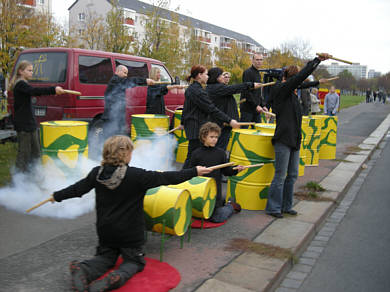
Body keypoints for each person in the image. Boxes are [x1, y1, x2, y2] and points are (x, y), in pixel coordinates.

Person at [50, 135, 211, 292]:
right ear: (125, 153)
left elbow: (77, 189)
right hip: (130, 233)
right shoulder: (136, 176)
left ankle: (84, 270)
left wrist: (56, 196)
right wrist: (194, 171)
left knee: (106, 258)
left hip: (106, 230)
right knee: (134, 262)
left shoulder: (96, 173)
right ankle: (117, 277)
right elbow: (167, 178)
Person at [265, 53, 331, 218]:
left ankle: (287, 206)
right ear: (289, 78)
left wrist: (317, 82)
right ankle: (273, 207)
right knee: (280, 175)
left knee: (292, 175)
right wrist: (316, 61)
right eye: (296, 80)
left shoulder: (293, 92)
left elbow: (301, 83)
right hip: (283, 139)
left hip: (294, 139)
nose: (298, 84)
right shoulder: (281, 89)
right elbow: (300, 79)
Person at [8, 60, 65, 172]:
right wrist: (53, 90)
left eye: (32, 70)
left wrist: (53, 90)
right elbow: (34, 91)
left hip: (30, 124)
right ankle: (19, 180)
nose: (31, 73)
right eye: (29, 70)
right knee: (24, 154)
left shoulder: (24, 84)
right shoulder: (20, 84)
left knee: (36, 153)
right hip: (23, 125)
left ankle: (36, 175)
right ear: (21, 71)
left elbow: (33, 91)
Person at [181, 65, 240, 168]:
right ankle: (182, 179)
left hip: (194, 125)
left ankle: (188, 178)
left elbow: (186, 108)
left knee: (195, 157)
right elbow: (211, 109)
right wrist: (229, 120)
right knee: (193, 157)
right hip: (196, 127)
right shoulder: (197, 91)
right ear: (199, 75)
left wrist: (182, 122)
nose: (208, 77)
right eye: (206, 74)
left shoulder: (193, 88)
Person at [187, 122, 244, 222]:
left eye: (216, 137)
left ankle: (230, 205)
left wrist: (236, 169)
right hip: (199, 191)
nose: (214, 139)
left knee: (216, 218)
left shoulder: (221, 153)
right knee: (195, 215)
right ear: (204, 137)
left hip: (214, 193)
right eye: (211, 137)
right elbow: (190, 172)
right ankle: (223, 202)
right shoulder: (196, 153)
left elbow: (226, 171)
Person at [206, 67, 263, 150]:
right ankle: (216, 162)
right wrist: (251, 85)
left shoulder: (215, 87)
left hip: (223, 122)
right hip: (221, 123)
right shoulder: (216, 88)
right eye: (222, 75)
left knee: (220, 146)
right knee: (219, 148)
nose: (224, 77)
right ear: (216, 77)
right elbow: (234, 88)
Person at [102, 65, 154, 138]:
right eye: (124, 73)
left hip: (117, 118)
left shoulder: (119, 82)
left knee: (117, 140)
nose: (126, 75)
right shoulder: (115, 80)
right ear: (117, 71)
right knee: (110, 140)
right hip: (111, 119)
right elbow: (129, 81)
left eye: (127, 73)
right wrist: (145, 81)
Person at [239, 53, 268, 127]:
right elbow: (246, 91)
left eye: (261, 60)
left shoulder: (258, 73)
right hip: (247, 109)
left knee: (258, 130)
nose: (259, 62)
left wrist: (263, 105)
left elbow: (258, 93)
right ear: (252, 60)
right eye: (257, 60)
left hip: (256, 109)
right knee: (244, 132)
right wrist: (255, 106)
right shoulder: (248, 72)